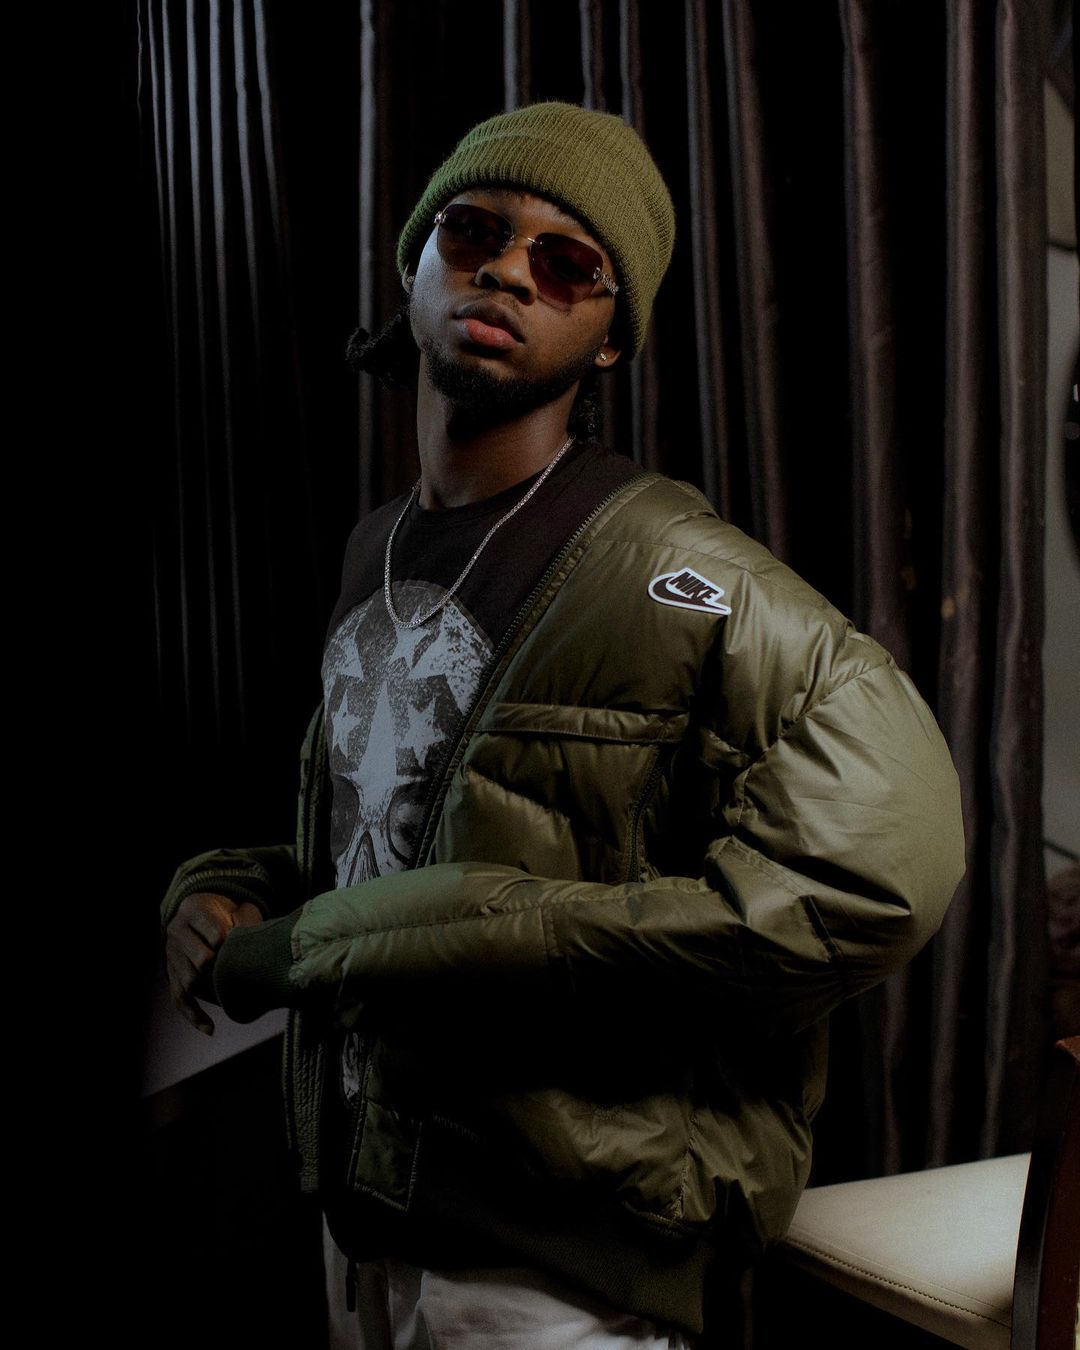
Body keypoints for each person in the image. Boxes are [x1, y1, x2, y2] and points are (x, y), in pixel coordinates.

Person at [161, 101, 965, 1347]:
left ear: (611, 335)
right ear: (416, 265)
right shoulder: (379, 545)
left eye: (568, 261)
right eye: (473, 230)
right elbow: (397, 833)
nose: (508, 271)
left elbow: (882, 875)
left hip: (553, 1269)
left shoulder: (677, 571)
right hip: (365, 1214)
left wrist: (489, 932)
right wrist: (232, 888)